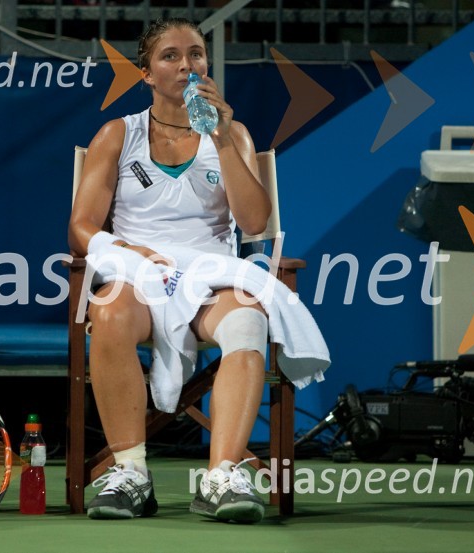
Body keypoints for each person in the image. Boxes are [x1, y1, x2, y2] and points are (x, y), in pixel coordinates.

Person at [68, 18, 329, 523]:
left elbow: (255, 223)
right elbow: (80, 228)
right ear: (146, 72)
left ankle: (221, 477)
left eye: (196, 54)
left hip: (210, 275)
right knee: (109, 309)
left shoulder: (235, 135)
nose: (186, 65)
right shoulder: (117, 134)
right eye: (170, 56)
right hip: (139, 275)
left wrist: (224, 138)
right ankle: (130, 474)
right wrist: (127, 254)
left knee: (249, 319)